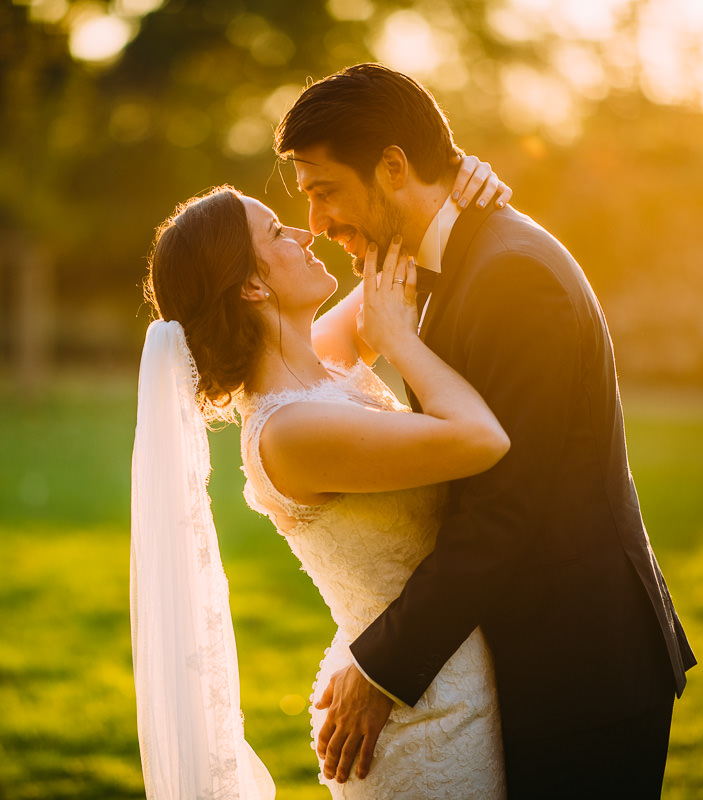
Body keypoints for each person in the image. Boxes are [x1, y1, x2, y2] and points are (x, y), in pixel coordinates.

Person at [273, 63, 696, 797]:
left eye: (323, 190)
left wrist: (381, 668)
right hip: (526, 660)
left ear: (393, 167)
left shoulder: (511, 279)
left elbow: (505, 508)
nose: (316, 222)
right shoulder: (426, 255)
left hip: (581, 669)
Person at [132, 158, 516, 798]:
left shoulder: (323, 364)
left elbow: (410, 250)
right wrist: (400, 344)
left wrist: (460, 180)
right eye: (279, 233)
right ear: (253, 287)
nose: (305, 235)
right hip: (422, 720)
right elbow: (483, 439)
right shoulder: (290, 433)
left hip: (433, 673)